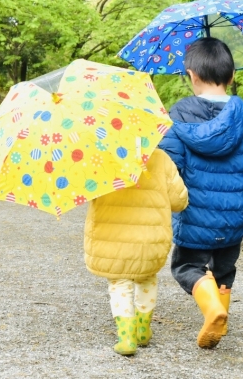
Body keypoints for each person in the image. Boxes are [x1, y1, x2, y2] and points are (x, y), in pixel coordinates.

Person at [158, 37, 243, 349]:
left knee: (187, 267)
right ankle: (222, 318)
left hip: (195, 217)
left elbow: (171, 166)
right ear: (232, 77)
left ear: (191, 76)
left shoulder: (178, 115)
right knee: (225, 270)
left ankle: (213, 310)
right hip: (234, 218)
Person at [84, 148, 188, 355]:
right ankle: (142, 330)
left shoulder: (100, 157)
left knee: (119, 282)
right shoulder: (160, 158)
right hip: (150, 237)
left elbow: (86, 191)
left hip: (112, 235)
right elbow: (179, 201)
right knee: (146, 277)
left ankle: (126, 337)